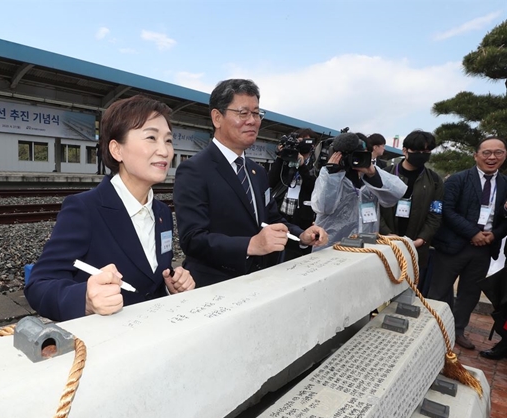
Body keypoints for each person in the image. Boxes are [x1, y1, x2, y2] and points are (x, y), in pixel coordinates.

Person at [25, 95, 195, 321]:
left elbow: (150, 282)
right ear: (117, 150)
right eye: (151, 137)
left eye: (169, 140)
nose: (165, 151)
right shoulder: (84, 209)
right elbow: (39, 286)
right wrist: (85, 299)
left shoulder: (162, 212)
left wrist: (170, 287)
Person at [173, 79, 327, 287]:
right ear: (217, 117)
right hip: (214, 285)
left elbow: (271, 218)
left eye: (256, 113)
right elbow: (193, 239)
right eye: (243, 113)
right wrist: (251, 245)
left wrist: (301, 235)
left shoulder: (257, 172)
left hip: (257, 280)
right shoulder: (194, 170)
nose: (252, 121)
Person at [427, 136, 507, 350]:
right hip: (454, 246)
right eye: (486, 153)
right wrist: (473, 232)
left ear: (504, 155)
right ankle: (430, 328)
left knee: (469, 293)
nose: (492, 157)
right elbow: (447, 210)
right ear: (476, 155)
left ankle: (457, 330)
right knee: (439, 290)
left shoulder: (505, 184)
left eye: (498, 152)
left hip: (484, 249)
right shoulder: (459, 180)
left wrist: (495, 234)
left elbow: (505, 219)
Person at [311, 132, 407, 249]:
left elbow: (397, 192)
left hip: (364, 248)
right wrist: (333, 175)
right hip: (331, 247)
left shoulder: (370, 173)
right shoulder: (329, 174)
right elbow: (323, 207)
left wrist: (373, 174)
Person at [379, 130, 444, 295]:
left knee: (408, 291)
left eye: (426, 152)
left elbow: (435, 214)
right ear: (405, 150)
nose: (422, 155)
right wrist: (387, 234)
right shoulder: (385, 174)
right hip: (385, 242)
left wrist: (421, 239)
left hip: (416, 247)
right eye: (417, 152)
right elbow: (374, 208)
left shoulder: (434, 180)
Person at [268, 128, 319, 261]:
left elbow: (314, 187)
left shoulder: (317, 164)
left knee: (297, 254)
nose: (301, 145)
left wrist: (302, 167)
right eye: (299, 141)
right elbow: (270, 181)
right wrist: (280, 158)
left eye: (305, 142)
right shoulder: (287, 158)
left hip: (303, 216)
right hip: (282, 211)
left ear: (312, 145)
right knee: (276, 251)